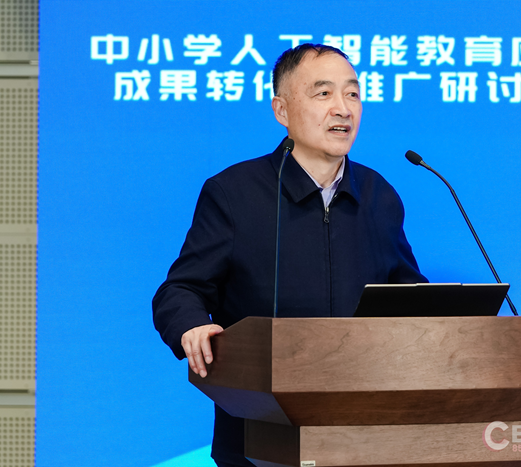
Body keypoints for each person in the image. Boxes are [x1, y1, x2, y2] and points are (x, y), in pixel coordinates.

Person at [153, 44, 427, 467]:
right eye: (324, 93)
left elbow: (410, 296)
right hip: (256, 438)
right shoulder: (234, 193)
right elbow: (181, 289)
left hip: (365, 437)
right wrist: (191, 325)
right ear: (282, 110)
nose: (343, 108)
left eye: (353, 94)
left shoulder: (379, 195)